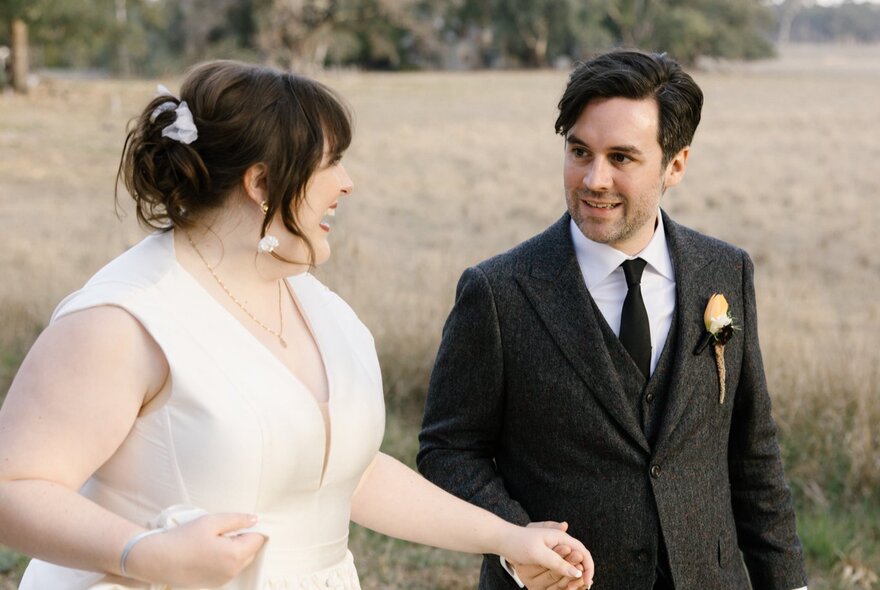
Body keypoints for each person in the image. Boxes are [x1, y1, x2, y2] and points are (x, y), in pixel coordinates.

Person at [0, 60, 595, 590]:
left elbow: (348, 474)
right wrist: (144, 554)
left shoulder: (321, 309)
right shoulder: (125, 320)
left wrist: (507, 538)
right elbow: (15, 487)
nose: (347, 183)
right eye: (331, 162)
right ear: (261, 184)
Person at [418, 49, 808, 590]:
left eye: (621, 158)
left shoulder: (726, 271)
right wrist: (517, 542)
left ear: (676, 164)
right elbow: (447, 450)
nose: (593, 179)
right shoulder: (498, 291)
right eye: (580, 151)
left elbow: (753, 453)